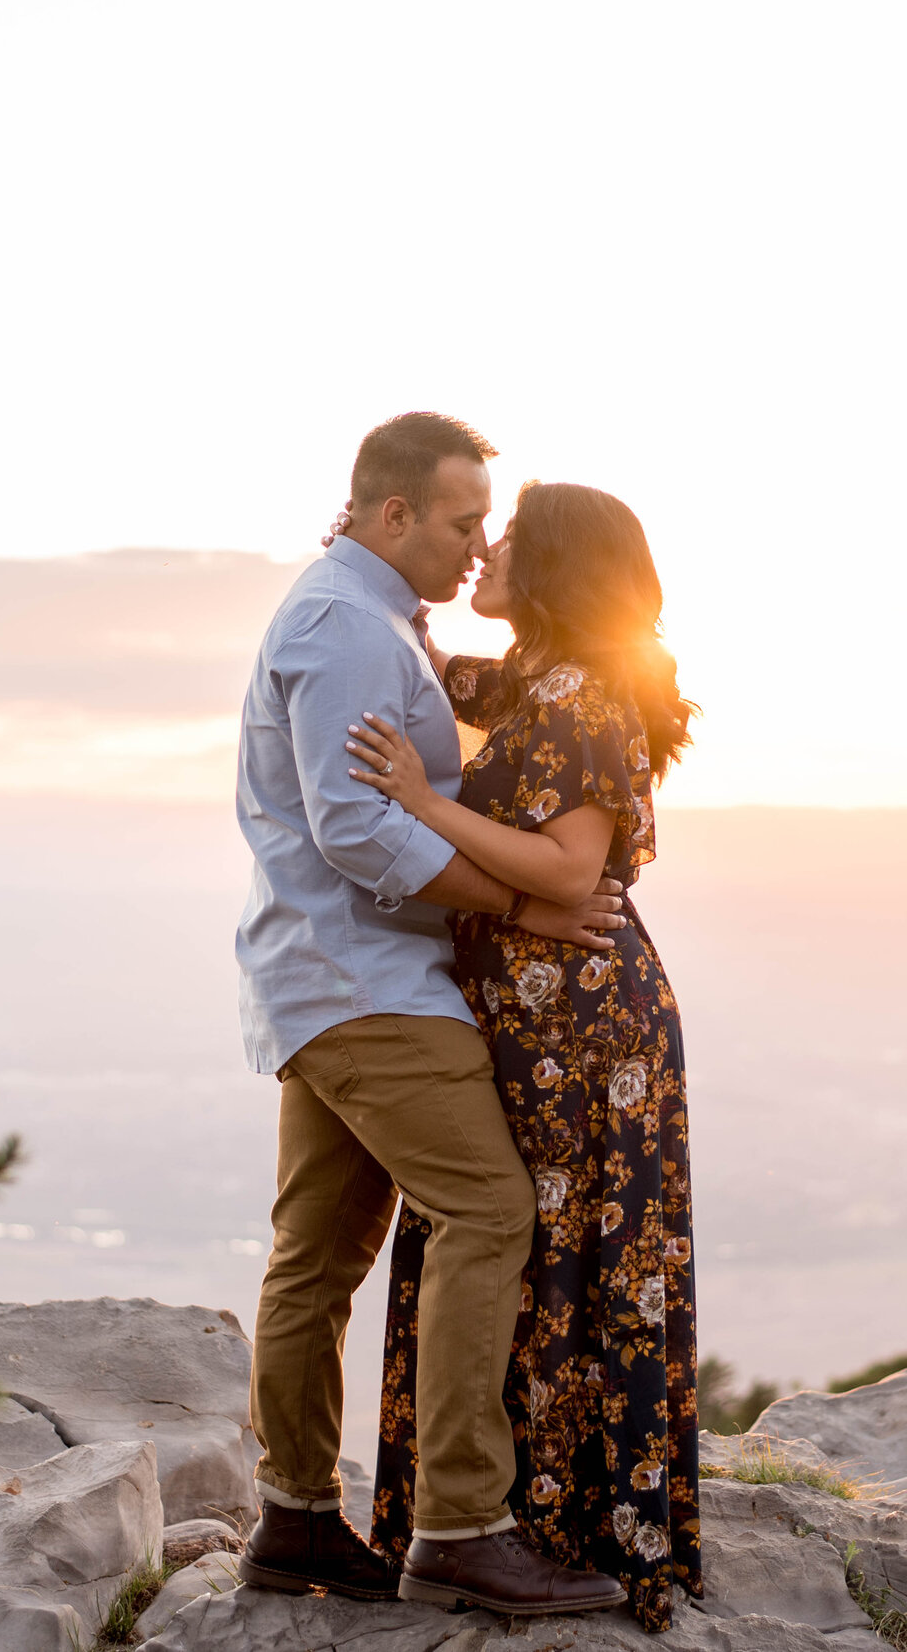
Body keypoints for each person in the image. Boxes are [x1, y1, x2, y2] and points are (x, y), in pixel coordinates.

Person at [232, 413, 633, 1616]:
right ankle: (462, 1523)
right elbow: (356, 827)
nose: (476, 547)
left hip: (331, 978)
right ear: (392, 512)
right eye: (463, 522)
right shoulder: (347, 627)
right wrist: (519, 901)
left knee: (318, 1254)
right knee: (488, 1205)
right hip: (371, 985)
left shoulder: (374, 621)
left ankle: (294, 1520)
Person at [344, 480, 702, 1628]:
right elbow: (417, 661)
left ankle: (556, 1533)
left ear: (552, 566)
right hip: (528, 1019)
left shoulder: (590, 698)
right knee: (514, 1251)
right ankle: (482, 1523)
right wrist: (370, 556)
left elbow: (563, 870)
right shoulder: (535, 682)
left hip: (587, 1031)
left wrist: (418, 801)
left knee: (561, 1261)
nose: (483, 549)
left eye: (505, 537)